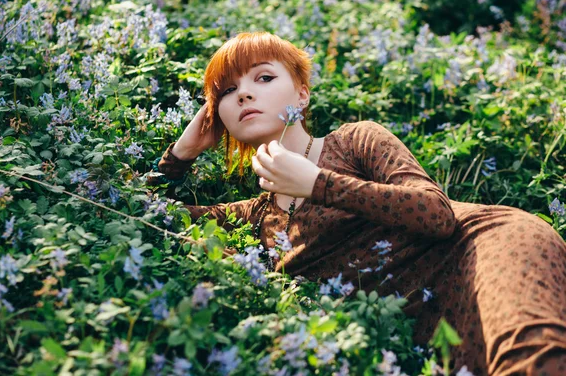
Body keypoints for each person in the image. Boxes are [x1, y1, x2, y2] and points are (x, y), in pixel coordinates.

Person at [146, 31, 566, 375]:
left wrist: (319, 183)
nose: (244, 95)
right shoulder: (255, 218)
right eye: (228, 90)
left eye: (263, 78)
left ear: (303, 96)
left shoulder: (354, 140)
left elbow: (437, 214)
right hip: (422, 331)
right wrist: (181, 154)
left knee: (533, 360)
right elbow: (143, 212)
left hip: (484, 250)